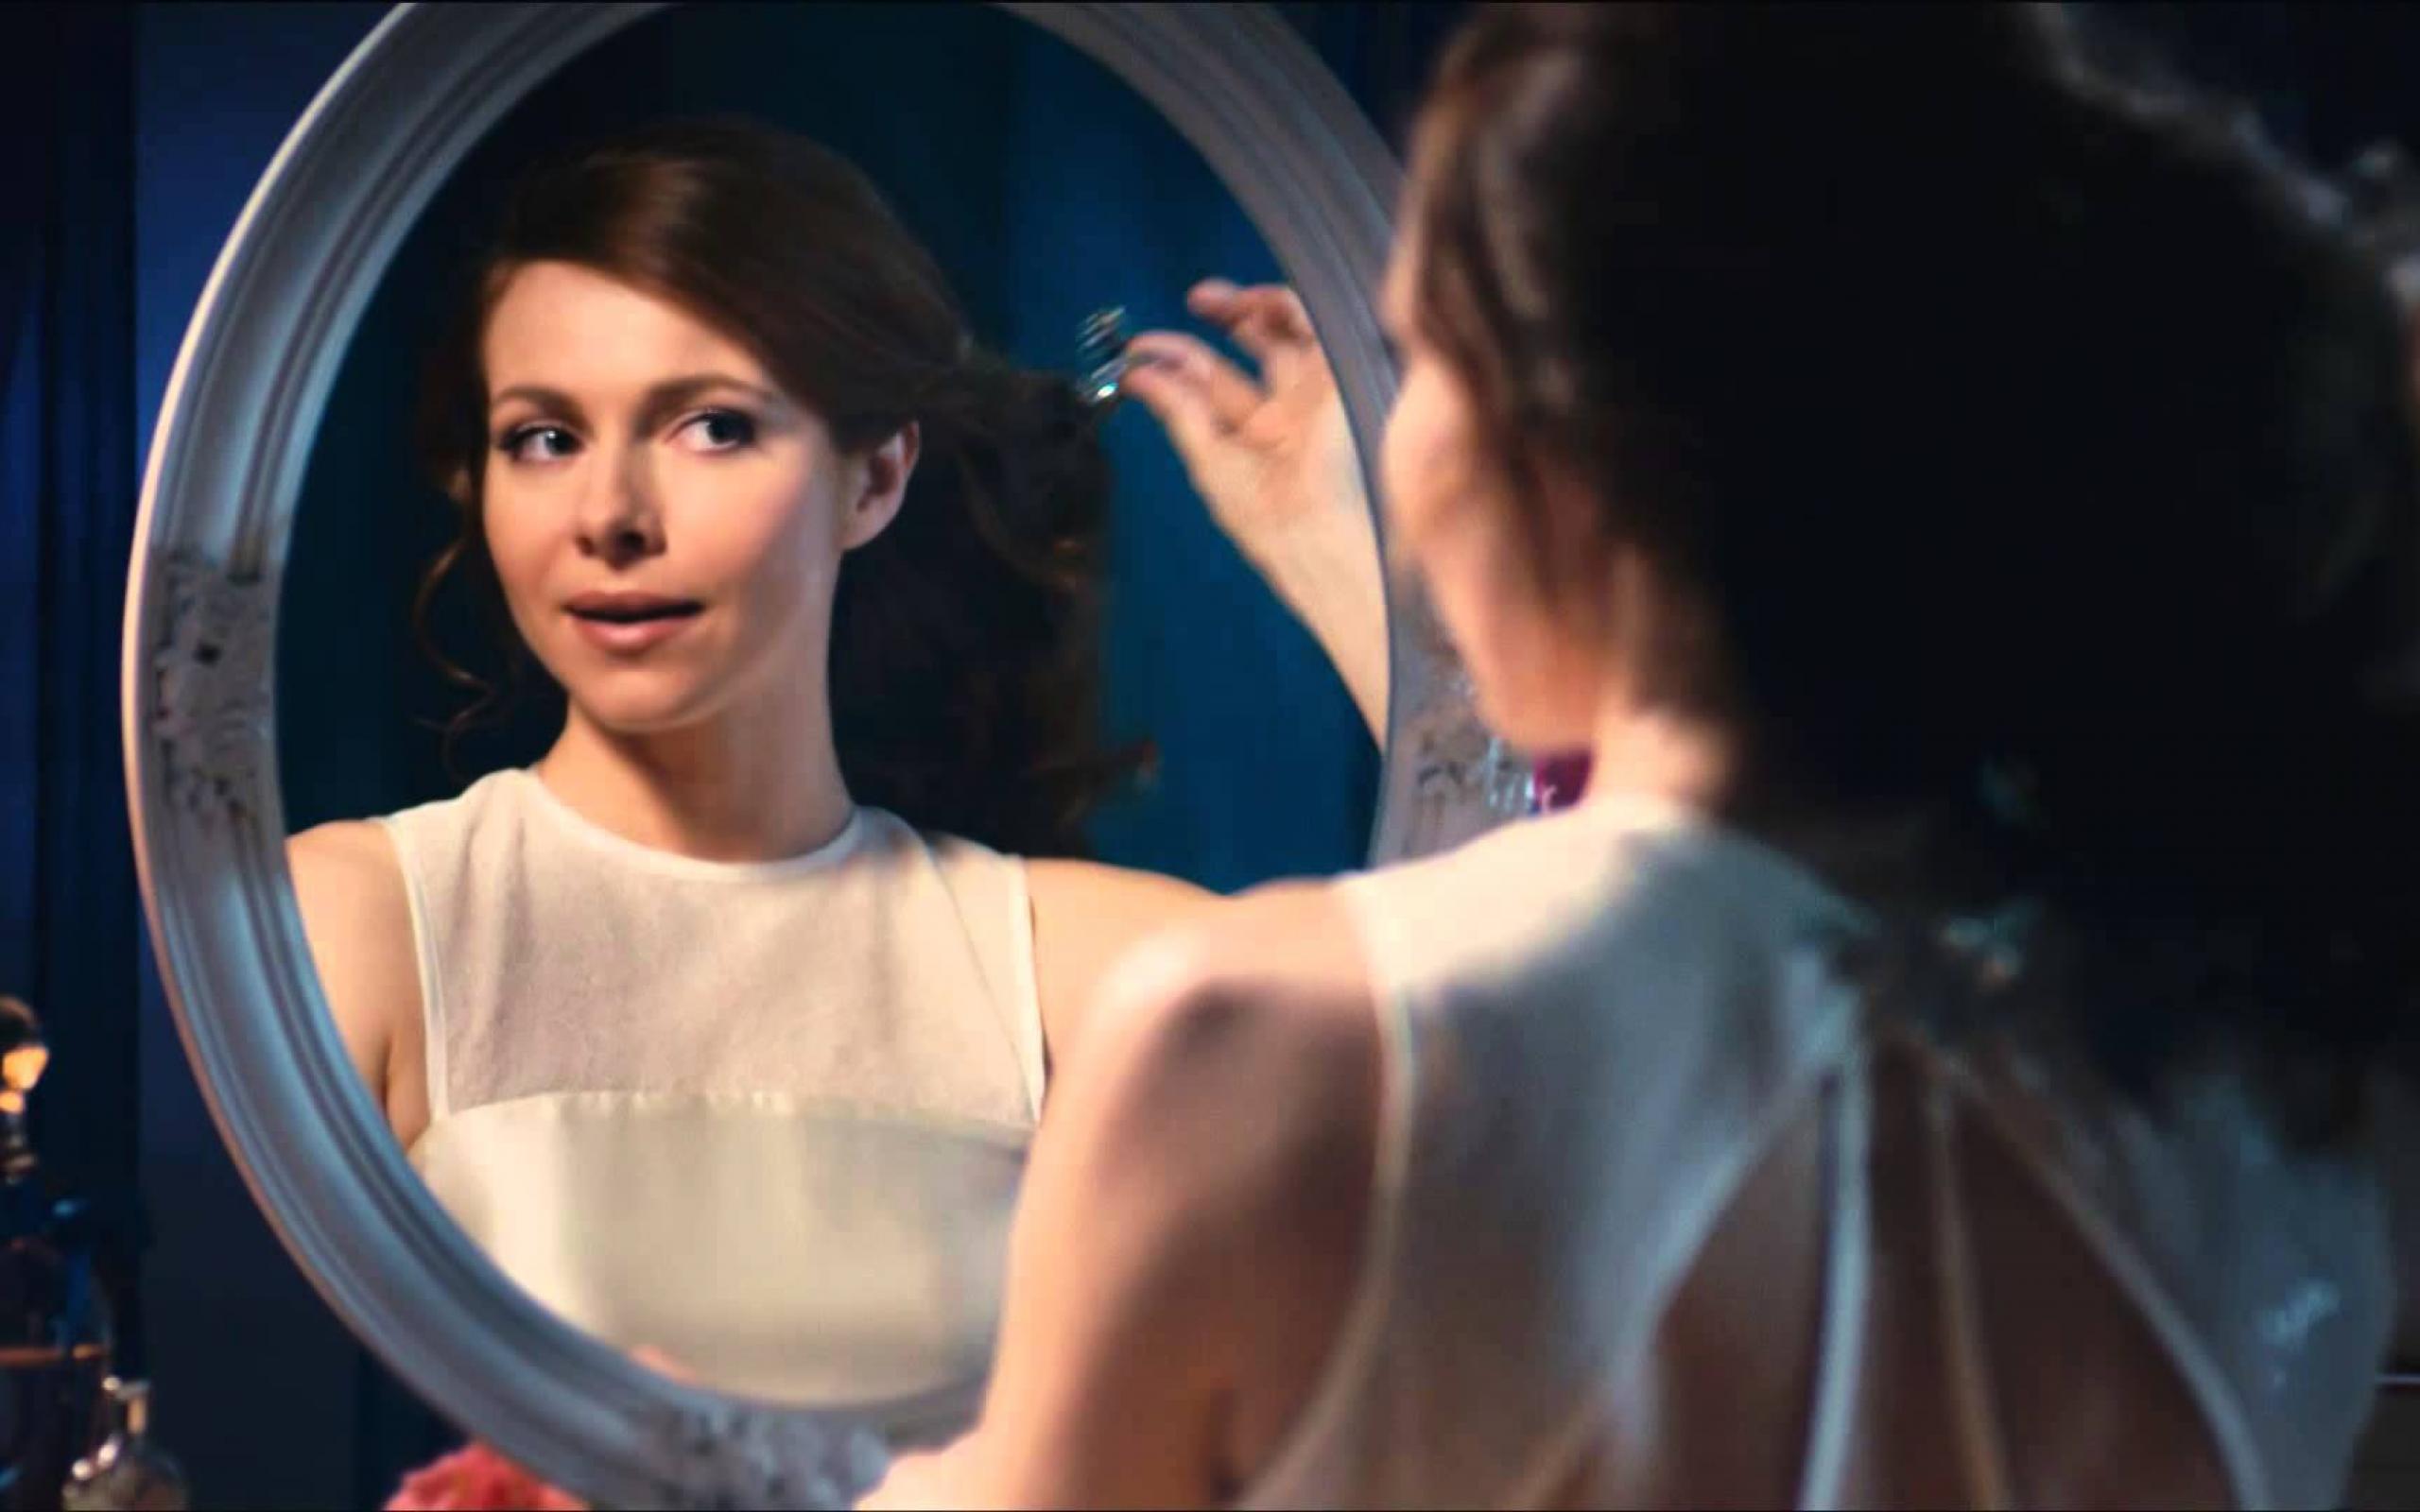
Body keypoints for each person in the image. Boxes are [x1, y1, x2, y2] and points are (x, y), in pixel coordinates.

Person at [863, 4, 2420, 1504]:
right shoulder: (2263, 1113)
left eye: (1415, 355)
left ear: (1564, 436)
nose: (1392, 440)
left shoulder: (1255, 1047)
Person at [283, 119, 1387, 1399]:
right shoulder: (362, 926)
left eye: (709, 427)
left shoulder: (1072, 971)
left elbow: (1524, 1098)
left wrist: (1346, 562)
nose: (608, 516)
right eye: (544, 438)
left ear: (874, 479)